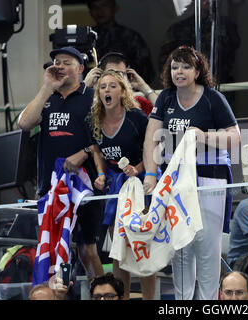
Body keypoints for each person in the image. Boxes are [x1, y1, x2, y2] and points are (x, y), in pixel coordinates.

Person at [143, 46, 241, 300]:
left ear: (197, 71)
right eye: (175, 67)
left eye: (185, 66)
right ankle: (182, 302)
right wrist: (151, 176)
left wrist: (204, 136)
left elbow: (235, 137)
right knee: (180, 246)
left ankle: (209, 300)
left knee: (207, 247)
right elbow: (150, 139)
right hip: (174, 181)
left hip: (209, 179)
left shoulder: (212, 98)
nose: (179, 71)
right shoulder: (165, 98)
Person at [17, 46, 104, 282]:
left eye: (67, 62)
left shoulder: (93, 97)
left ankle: (102, 294)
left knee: (87, 250)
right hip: (50, 187)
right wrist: (47, 86)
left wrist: (84, 152)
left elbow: (105, 140)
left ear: (81, 68)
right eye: (57, 62)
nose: (61, 66)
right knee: (54, 249)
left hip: (86, 189)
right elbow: (24, 123)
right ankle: (60, 293)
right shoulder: (47, 97)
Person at [89, 69, 156, 300]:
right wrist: (100, 173)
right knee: (119, 249)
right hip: (115, 188)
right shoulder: (95, 119)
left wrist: (137, 169)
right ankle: (121, 298)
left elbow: (154, 148)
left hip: (140, 187)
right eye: (103, 86)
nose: (107, 90)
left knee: (142, 247)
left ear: (122, 92)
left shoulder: (136, 117)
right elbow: (95, 149)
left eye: (112, 86)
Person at [159, 0, 240, 86]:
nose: (208, 1)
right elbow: (165, 63)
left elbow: (231, 53)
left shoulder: (227, 26)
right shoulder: (178, 29)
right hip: (189, 88)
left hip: (221, 85)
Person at [86, 0, 155, 83]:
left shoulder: (131, 37)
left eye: (104, 5)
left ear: (115, 8)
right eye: (95, 7)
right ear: (90, 12)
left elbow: (147, 72)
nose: (99, 11)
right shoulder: (87, 38)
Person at [84, 51, 158, 111]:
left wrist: (144, 87)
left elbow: (164, 111)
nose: (117, 78)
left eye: (121, 74)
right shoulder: (90, 104)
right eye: (111, 73)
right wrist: (84, 86)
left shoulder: (138, 103)